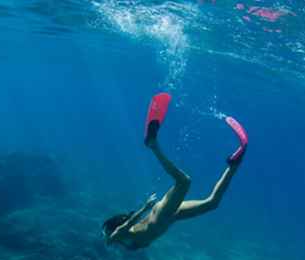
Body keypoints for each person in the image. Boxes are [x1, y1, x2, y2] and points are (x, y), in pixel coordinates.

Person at [103, 93, 248, 250]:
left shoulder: (122, 234)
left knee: (184, 181)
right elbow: (131, 238)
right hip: (169, 217)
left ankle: (153, 146)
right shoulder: (130, 242)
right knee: (211, 203)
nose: (105, 236)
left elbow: (115, 235)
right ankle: (234, 164)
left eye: (106, 233)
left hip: (161, 214)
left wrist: (145, 208)